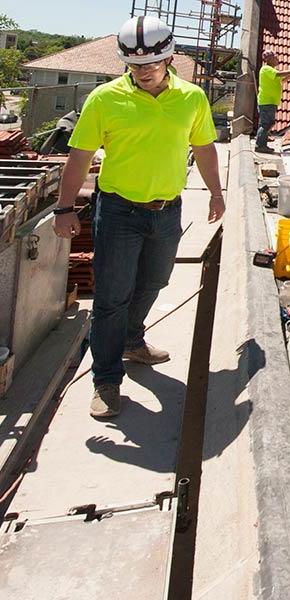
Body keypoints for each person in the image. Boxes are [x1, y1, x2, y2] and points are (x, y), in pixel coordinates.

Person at [52, 16, 225, 419]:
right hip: (118, 211)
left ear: (168, 57)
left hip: (167, 211)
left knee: (155, 280)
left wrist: (217, 192)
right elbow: (79, 156)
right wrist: (64, 208)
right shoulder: (105, 99)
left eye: (151, 63)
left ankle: (131, 339)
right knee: (111, 297)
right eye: (135, 65)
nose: (143, 71)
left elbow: (204, 149)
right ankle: (107, 380)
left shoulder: (192, 98)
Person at [256, 50, 290, 153]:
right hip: (267, 101)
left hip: (269, 101)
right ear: (269, 59)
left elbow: (282, 80)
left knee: (269, 123)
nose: (277, 59)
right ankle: (260, 145)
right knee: (266, 124)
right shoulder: (266, 69)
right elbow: (279, 74)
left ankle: (262, 140)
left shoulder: (270, 71)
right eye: (275, 57)